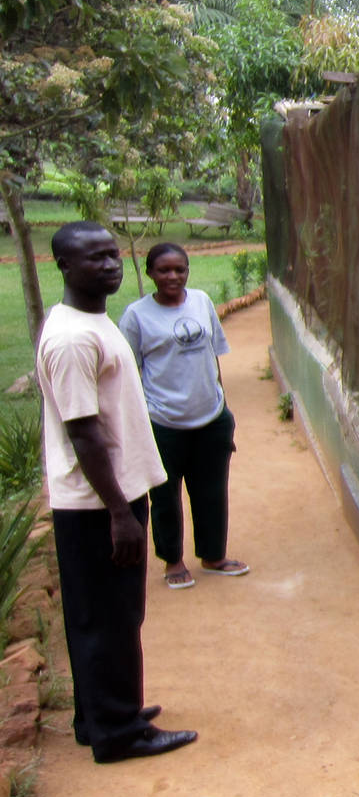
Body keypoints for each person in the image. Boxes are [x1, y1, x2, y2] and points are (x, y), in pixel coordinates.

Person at [36, 222, 197, 762]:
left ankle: (101, 716)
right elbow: (83, 431)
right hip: (98, 504)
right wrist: (120, 514)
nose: (109, 265)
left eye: (112, 256)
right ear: (64, 265)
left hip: (105, 499)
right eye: (94, 259)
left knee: (100, 615)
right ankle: (120, 733)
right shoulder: (73, 338)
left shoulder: (88, 320)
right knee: (112, 618)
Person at [119, 243, 249, 590]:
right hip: (163, 423)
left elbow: (212, 355)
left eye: (180, 269)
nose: (173, 276)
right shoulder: (136, 316)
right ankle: (173, 561)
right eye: (164, 270)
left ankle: (213, 556)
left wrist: (224, 409)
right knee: (165, 496)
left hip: (211, 418)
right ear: (150, 273)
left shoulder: (202, 302)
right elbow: (130, 373)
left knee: (212, 491)